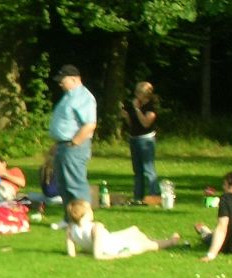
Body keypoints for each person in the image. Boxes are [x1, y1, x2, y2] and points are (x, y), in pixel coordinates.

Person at [66, 199, 182, 259]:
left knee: (134, 230)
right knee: (146, 245)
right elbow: (98, 255)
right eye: (90, 210)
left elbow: (71, 254)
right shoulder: (96, 228)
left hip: (110, 240)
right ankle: (171, 241)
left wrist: (83, 253)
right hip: (114, 247)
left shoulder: (71, 228)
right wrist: (120, 256)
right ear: (85, 214)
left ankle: (157, 240)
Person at [49, 64, 97, 204]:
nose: (59, 83)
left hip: (74, 146)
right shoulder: (68, 96)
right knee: (63, 184)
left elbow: (89, 124)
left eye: (62, 80)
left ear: (74, 79)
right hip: (63, 145)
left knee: (75, 184)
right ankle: (69, 217)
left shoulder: (83, 96)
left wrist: (73, 143)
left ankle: (83, 219)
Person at [121, 81, 159, 202]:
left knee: (148, 169)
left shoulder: (151, 107)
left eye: (138, 92)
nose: (135, 94)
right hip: (134, 139)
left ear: (145, 94)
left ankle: (154, 195)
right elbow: (133, 124)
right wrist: (126, 116)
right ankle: (138, 197)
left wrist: (137, 109)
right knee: (137, 171)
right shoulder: (136, 105)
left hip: (146, 140)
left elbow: (145, 123)